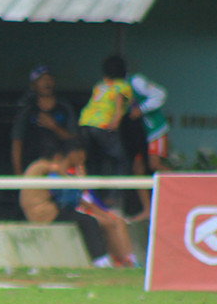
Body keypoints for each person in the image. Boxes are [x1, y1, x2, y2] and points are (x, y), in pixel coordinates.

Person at [19, 142, 117, 268]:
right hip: (45, 212)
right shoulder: (43, 167)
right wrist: (78, 176)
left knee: (84, 219)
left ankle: (105, 257)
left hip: (45, 210)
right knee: (89, 222)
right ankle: (100, 260)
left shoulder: (35, 168)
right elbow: (63, 183)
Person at [78, 55, 133, 209]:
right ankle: (112, 197)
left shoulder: (100, 85)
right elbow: (118, 103)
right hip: (103, 125)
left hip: (85, 123)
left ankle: (93, 197)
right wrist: (116, 121)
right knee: (121, 160)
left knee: (93, 161)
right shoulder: (122, 86)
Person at [10, 65, 79, 176]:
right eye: (41, 79)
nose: (47, 82)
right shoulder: (27, 110)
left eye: (49, 78)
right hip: (33, 167)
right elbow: (17, 142)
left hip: (60, 166)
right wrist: (18, 172)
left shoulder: (65, 108)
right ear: (33, 85)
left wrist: (53, 126)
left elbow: (74, 138)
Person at [124, 72, 170, 221]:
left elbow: (160, 94)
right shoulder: (115, 89)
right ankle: (148, 209)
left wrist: (141, 109)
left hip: (155, 130)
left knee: (154, 165)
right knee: (138, 169)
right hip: (142, 135)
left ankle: (187, 186)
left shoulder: (135, 81)